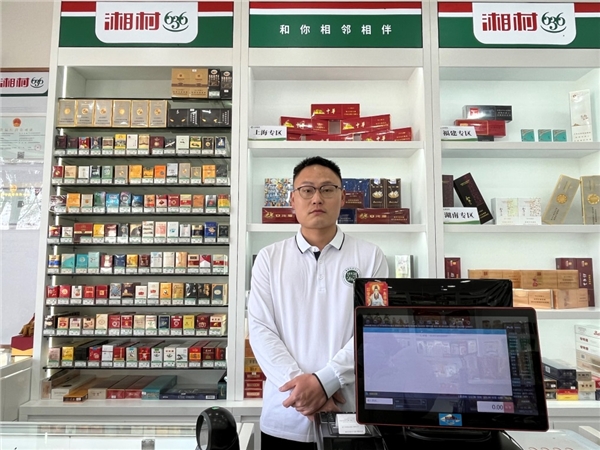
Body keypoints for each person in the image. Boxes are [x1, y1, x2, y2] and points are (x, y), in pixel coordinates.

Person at [248, 156, 389, 449]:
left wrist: (325, 382)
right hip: (285, 416)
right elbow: (261, 331)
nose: (317, 198)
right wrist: (306, 393)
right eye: (307, 190)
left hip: (349, 413)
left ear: (342, 197)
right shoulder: (269, 258)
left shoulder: (371, 257)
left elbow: (373, 330)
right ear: (292, 199)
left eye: (327, 189)